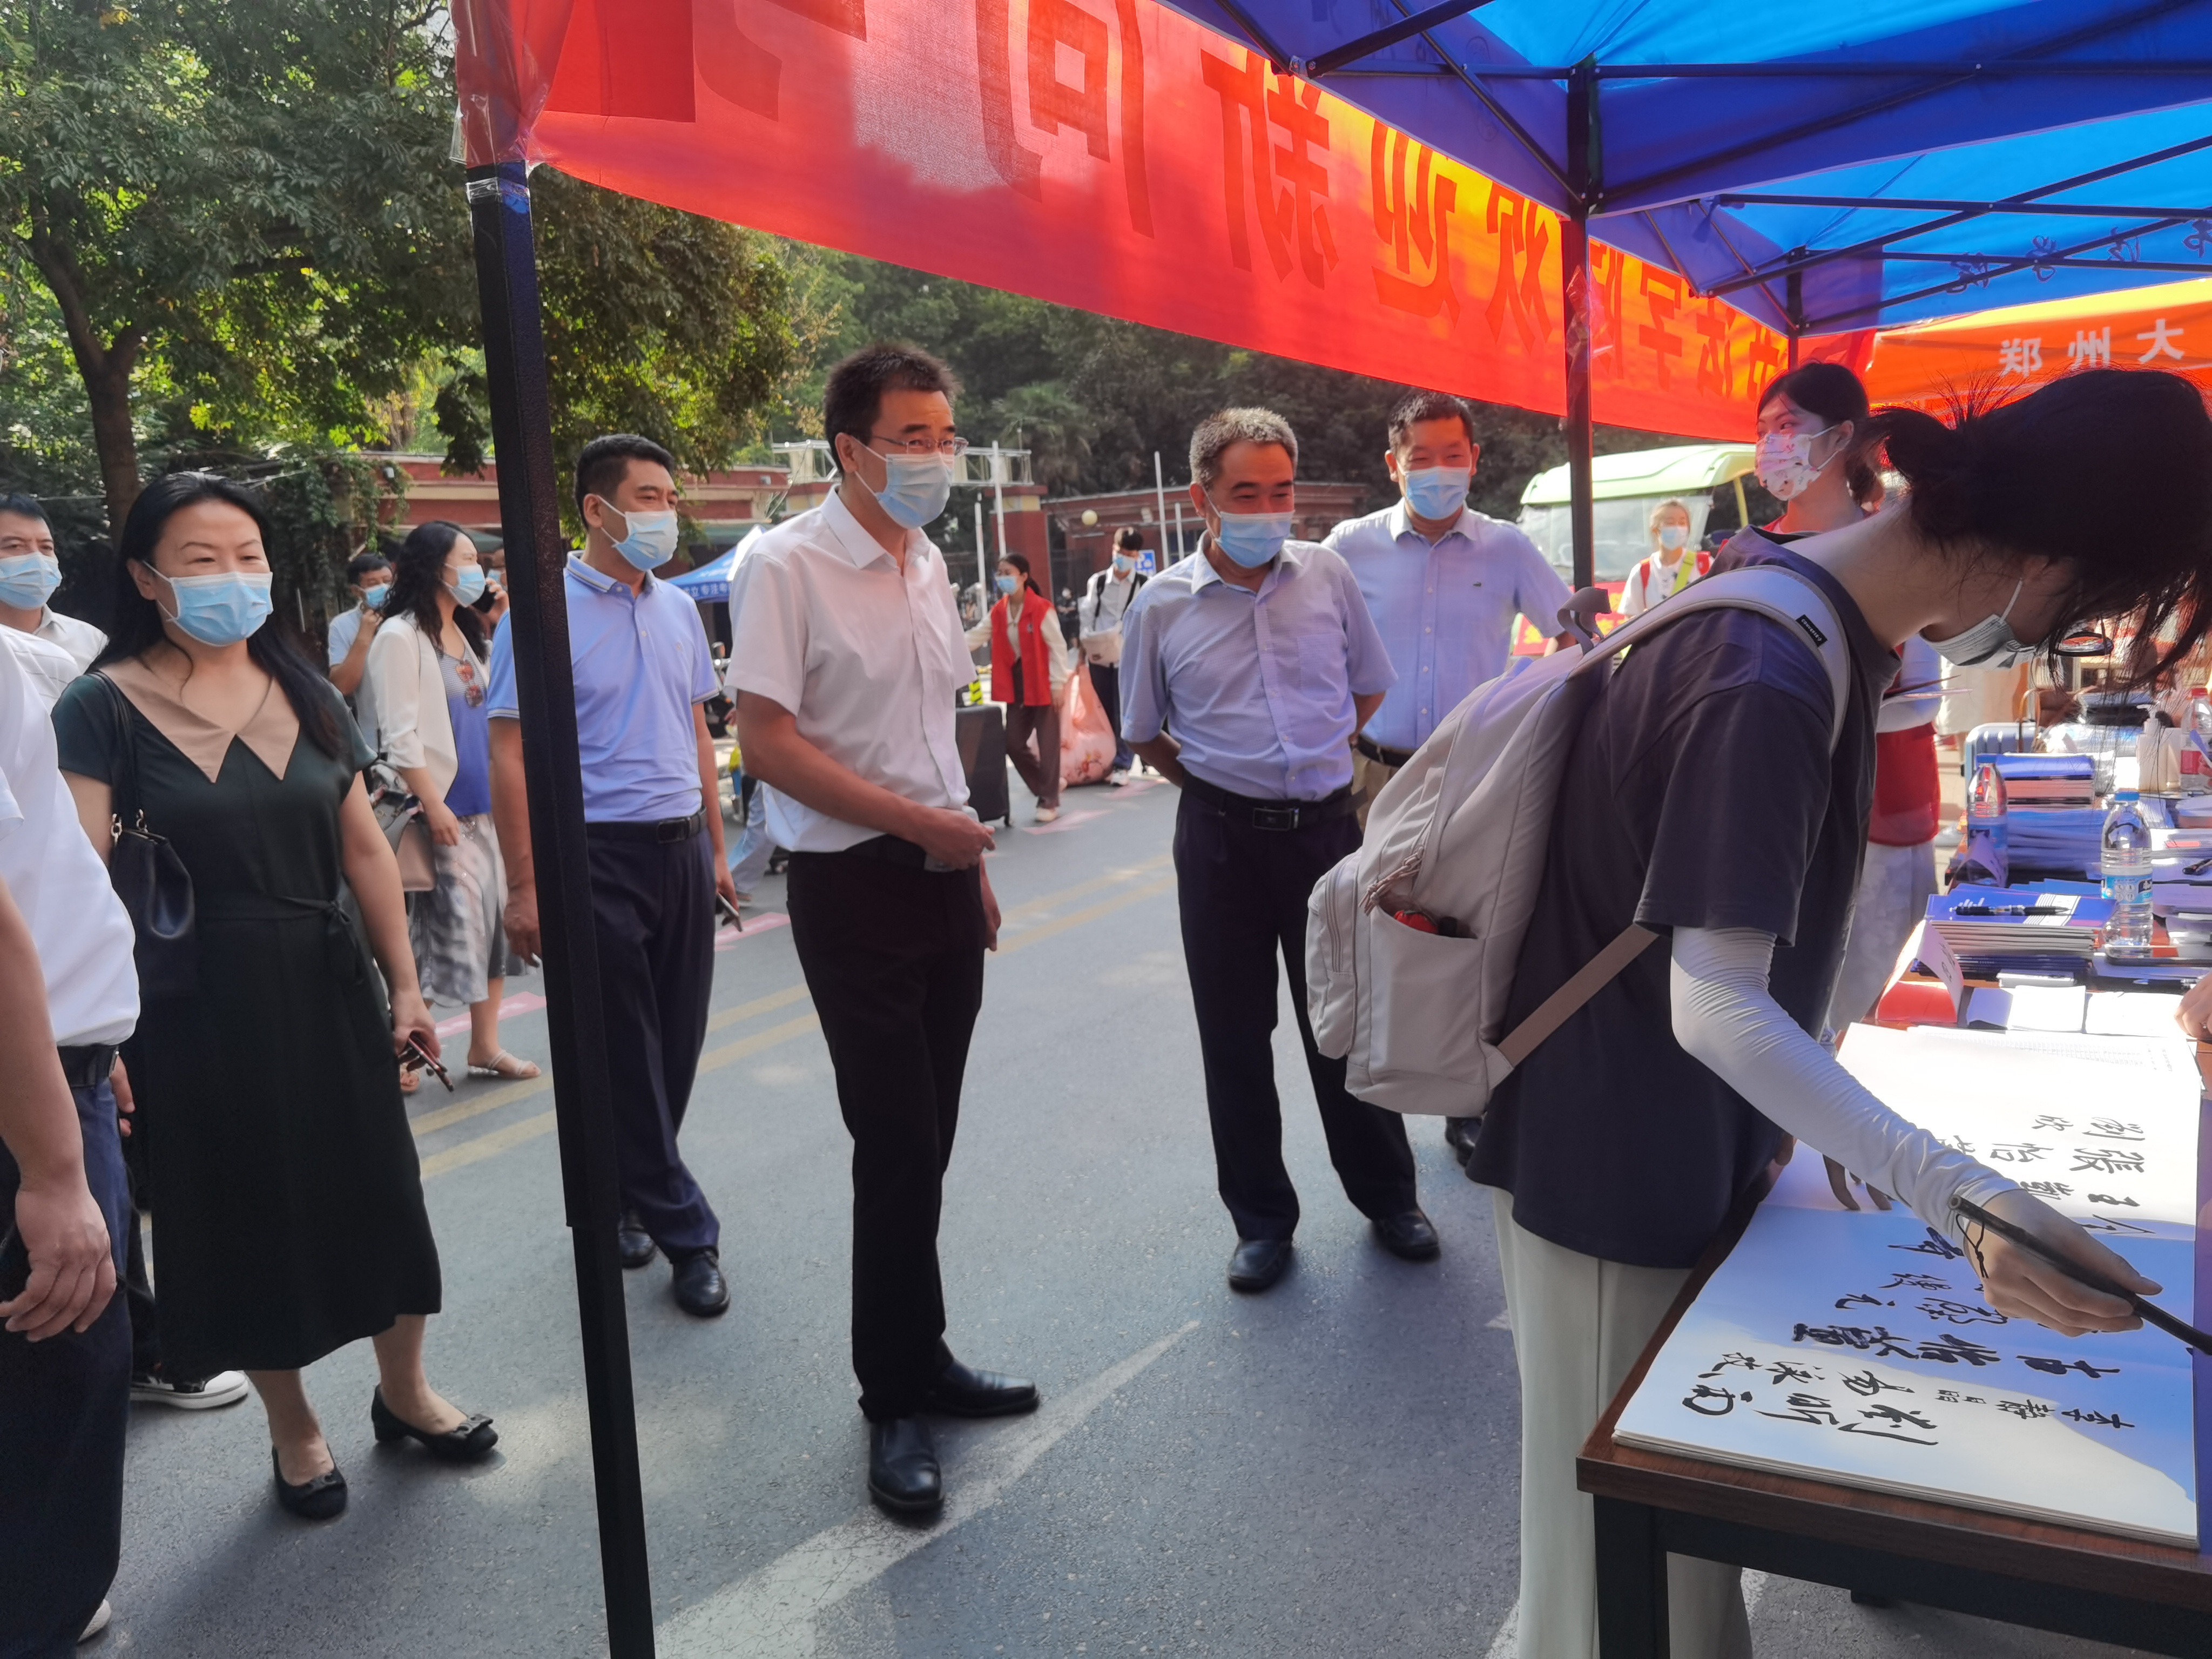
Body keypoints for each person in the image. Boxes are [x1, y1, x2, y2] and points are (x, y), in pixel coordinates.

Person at [1465, 368, 2212, 1658]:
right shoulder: (1766, 671)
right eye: (2089, 608)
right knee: (1610, 1601)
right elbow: (1713, 1003)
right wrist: (1959, 1194)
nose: (2060, 640)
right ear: (2044, 561)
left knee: (1671, 1578)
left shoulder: (1809, 613)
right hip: (1615, 1162)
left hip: (1671, 1139)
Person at [56, 473, 494, 1525]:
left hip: (327, 977)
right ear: (146, 579)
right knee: (239, 1214)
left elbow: (364, 849)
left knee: (381, 1194)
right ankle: (294, 1429)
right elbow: (79, 883)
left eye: (247, 556)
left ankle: (405, 1392)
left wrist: (405, 984)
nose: (233, 577)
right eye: (201, 560)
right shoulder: (100, 707)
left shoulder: (305, 691)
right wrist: (100, 1036)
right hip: (192, 1006)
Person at [728, 343, 1034, 1517]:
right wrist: (917, 826)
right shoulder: (784, 564)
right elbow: (766, 742)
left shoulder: (924, 560)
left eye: (945, 436)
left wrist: (965, 857)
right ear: (850, 449)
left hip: (941, 877)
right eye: (913, 438)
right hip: (851, 886)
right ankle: (891, 1397)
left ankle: (925, 1353)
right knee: (894, 1141)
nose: (936, 458)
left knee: (930, 1138)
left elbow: (930, 723)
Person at [1122, 407, 1435, 1295]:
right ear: (1202, 499)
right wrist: (1224, 783)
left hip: (1326, 836)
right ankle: (1261, 1222)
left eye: (1280, 491)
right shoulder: (1161, 606)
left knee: (1346, 1023)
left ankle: (1389, 1198)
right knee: (1233, 1035)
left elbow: (1368, 686)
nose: (1268, 510)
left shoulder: (1327, 575)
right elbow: (1143, 733)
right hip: (1219, 843)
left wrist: (1313, 756)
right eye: (1245, 494)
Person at [487, 435, 737, 1317]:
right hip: (594, 855)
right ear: (597, 510)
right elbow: (510, 749)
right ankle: (689, 1234)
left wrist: (716, 847)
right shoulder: (539, 614)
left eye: (670, 495)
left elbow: (697, 730)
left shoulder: (677, 609)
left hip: (681, 850)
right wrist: (525, 884)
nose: (666, 512)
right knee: (625, 1049)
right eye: (647, 497)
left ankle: (631, 1194)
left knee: (675, 1044)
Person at [1323, 389, 1573, 1168]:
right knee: (1375, 937)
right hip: (1372, 775)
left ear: (1475, 460)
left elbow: (1574, 637)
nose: (1438, 471)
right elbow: (1311, 642)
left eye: (1452, 455)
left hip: (1472, 777)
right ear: (1392, 465)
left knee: (1470, 941)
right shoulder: (1349, 547)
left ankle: (1468, 1101)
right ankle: (1379, 1101)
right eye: (1420, 457)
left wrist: (1533, 704)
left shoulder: (1507, 549)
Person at [0, 633, 136, 1655]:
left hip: (49, 1067)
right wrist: (52, 1164)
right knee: (57, 1381)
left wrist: (88, 1047)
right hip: (29, 1106)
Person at [365, 522, 539, 1082]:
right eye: (466, 559)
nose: (477, 570)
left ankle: (484, 1045)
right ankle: (406, 1049)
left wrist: (502, 621)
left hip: (486, 807)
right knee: (443, 933)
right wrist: (432, 802)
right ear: (433, 566)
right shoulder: (399, 636)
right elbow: (399, 733)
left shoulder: (468, 633)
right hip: (439, 810)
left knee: (491, 927)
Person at [969, 551, 1068, 823]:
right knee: (1013, 743)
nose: (1002, 578)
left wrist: (1058, 684)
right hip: (1017, 683)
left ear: (1024, 576)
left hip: (1044, 682)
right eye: (1000, 573)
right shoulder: (999, 611)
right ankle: (1047, 785)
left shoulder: (1042, 608)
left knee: (1048, 745)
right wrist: (946, 645)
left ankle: (1048, 799)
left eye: (1008, 573)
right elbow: (976, 636)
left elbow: (1058, 647)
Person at [1077, 528, 1146, 783]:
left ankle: (1122, 765)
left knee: (1123, 712)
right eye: (1120, 552)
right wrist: (1083, 652)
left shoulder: (1143, 584)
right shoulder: (1097, 582)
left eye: (1129, 554)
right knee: (1103, 713)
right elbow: (1088, 616)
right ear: (1113, 550)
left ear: (1136, 556)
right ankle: (1105, 761)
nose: (1123, 558)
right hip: (1099, 656)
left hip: (1128, 656)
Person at [1617, 498, 1711, 619]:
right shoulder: (1642, 571)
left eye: (1682, 523)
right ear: (1655, 529)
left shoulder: (1705, 564)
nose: (1678, 528)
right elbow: (1630, 619)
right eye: (1670, 523)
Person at [326, 550, 392, 703]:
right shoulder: (342, 625)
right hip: (373, 717)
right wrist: (363, 638)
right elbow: (342, 687)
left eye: (388, 581)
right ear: (356, 591)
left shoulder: (410, 615)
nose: (384, 588)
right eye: (373, 584)